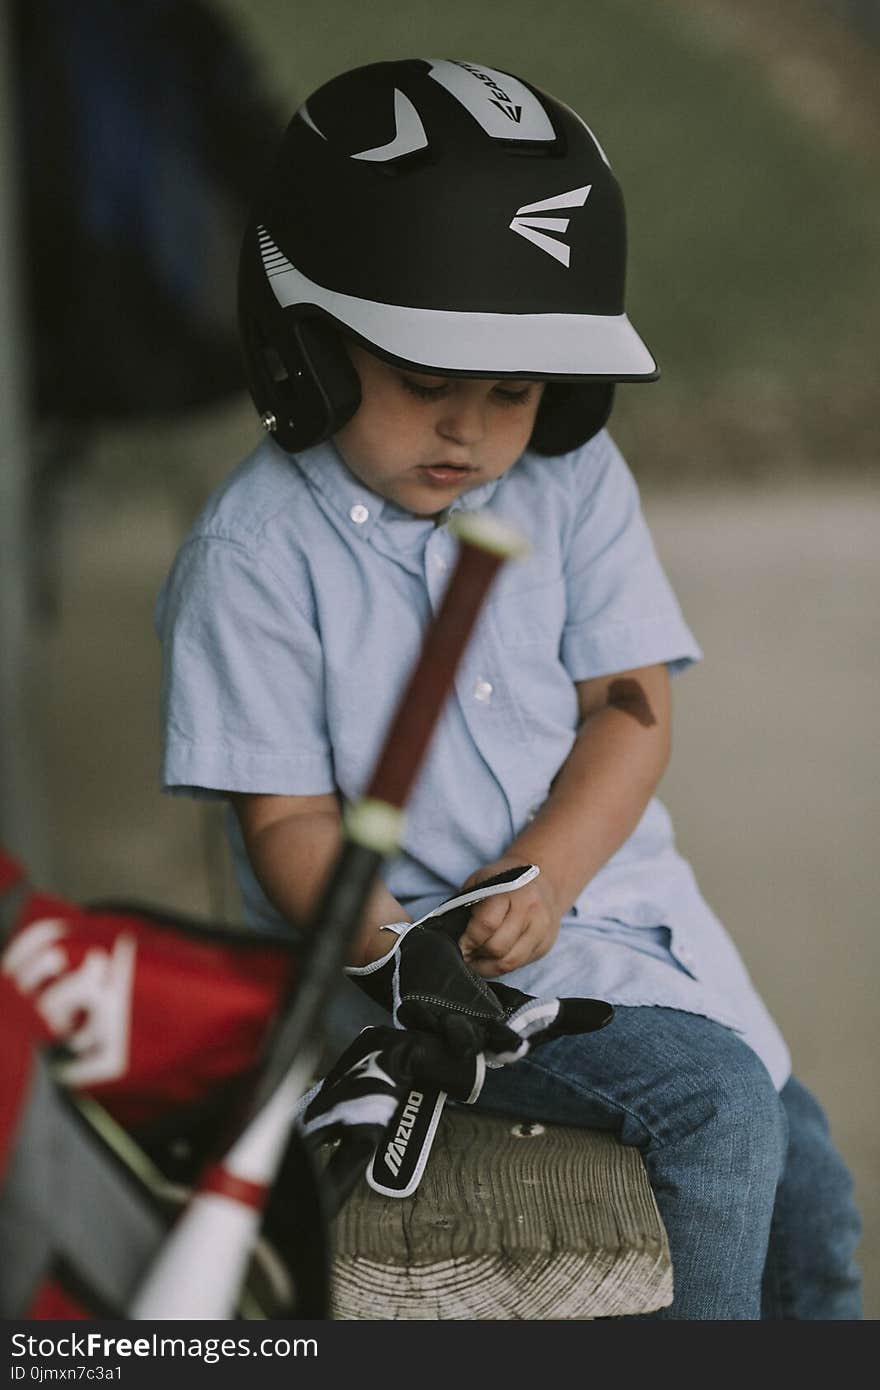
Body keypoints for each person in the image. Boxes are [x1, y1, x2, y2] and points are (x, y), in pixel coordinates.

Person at [155, 58, 862, 1319]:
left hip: (624, 921)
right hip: (433, 992)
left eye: (517, 390)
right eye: (428, 381)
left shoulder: (569, 483)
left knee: (810, 1188)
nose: (473, 432)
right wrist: (409, 947)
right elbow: (286, 823)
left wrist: (547, 868)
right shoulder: (255, 554)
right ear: (307, 341)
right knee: (717, 1113)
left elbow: (629, 704)